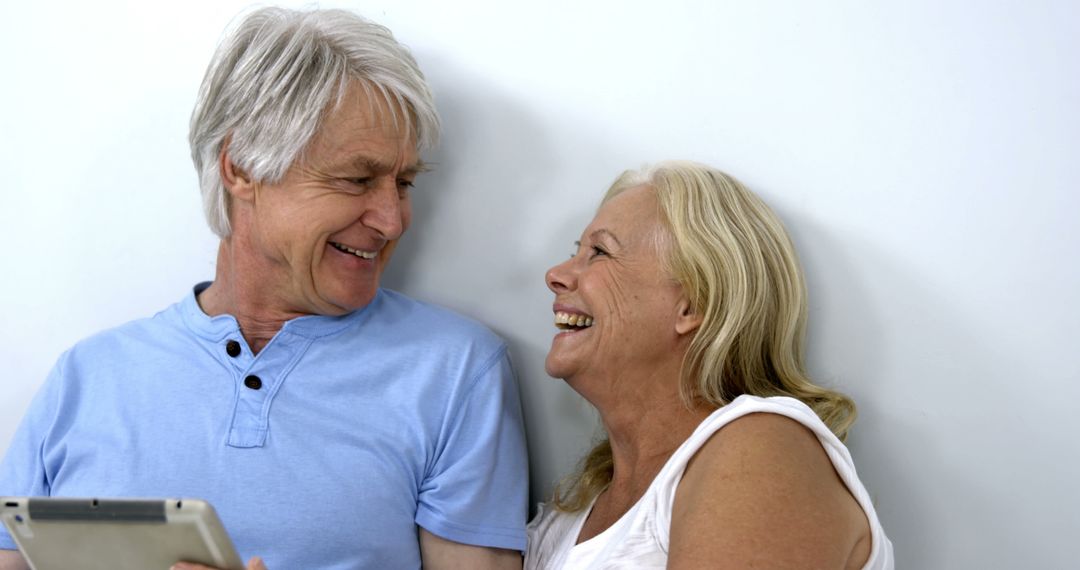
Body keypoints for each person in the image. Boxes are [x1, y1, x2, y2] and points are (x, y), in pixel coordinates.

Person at [0, 7, 527, 570]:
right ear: (242, 167)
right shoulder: (86, 379)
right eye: (357, 179)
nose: (392, 220)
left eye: (402, 183)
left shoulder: (455, 374)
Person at [525, 161, 894, 569]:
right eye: (575, 251)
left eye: (599, 252)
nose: (556, 275)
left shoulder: (760, 444)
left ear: (695, 303)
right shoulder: (566, 520)